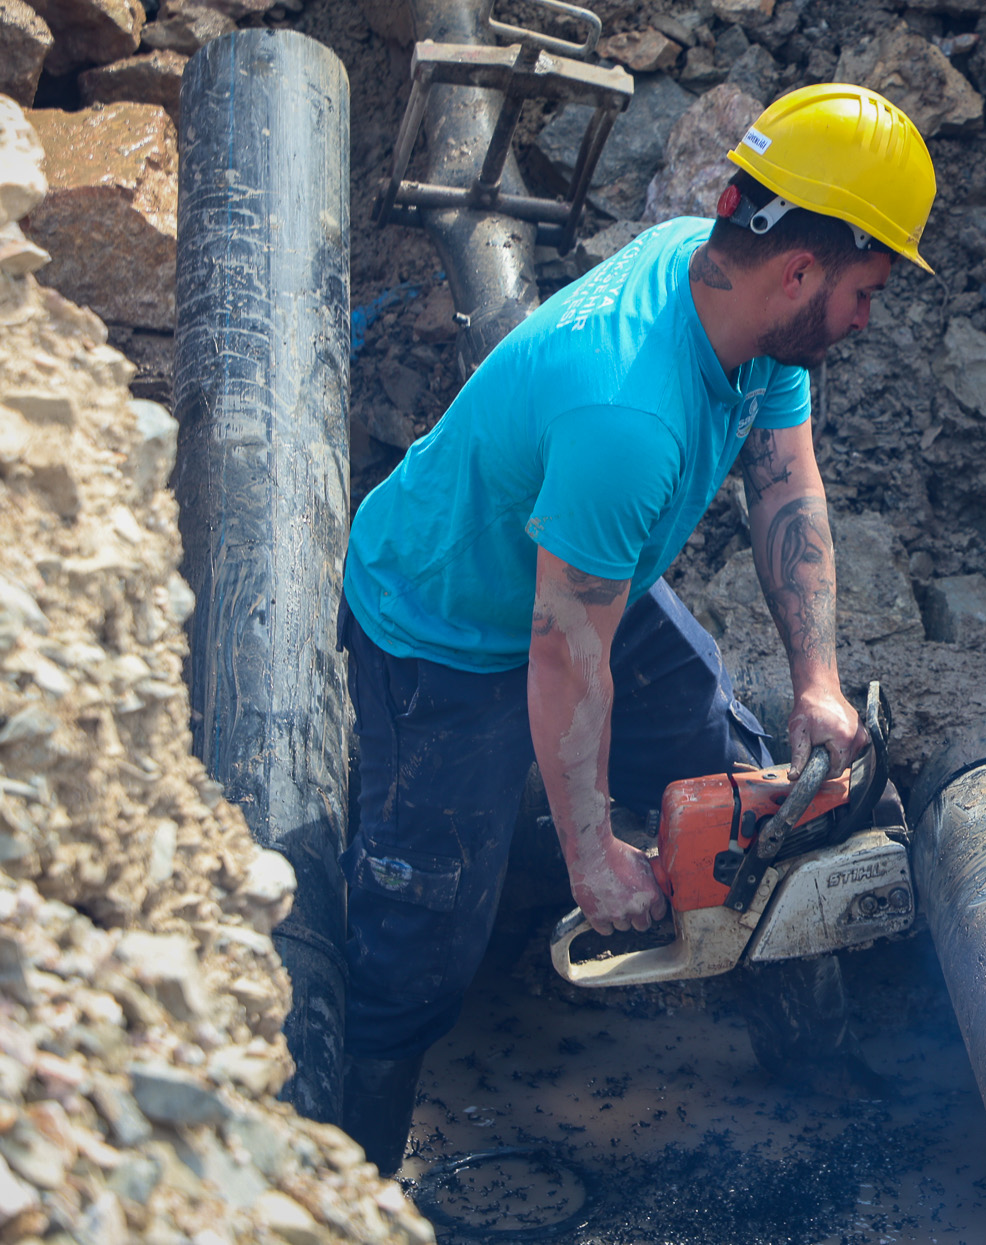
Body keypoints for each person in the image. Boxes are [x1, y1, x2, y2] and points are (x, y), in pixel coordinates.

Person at [334, 84, 937, 1172]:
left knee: (747, 791)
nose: (865, 318)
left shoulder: (748, 314)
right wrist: (592, 860)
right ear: (799, 270)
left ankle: (816, 1074)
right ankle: (337, 1175)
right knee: (420, 941)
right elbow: (564, 653)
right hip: (443, 624)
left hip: (587, 577)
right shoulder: (626, 406)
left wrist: (817, 681)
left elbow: (783, 480)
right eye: (865, 292)